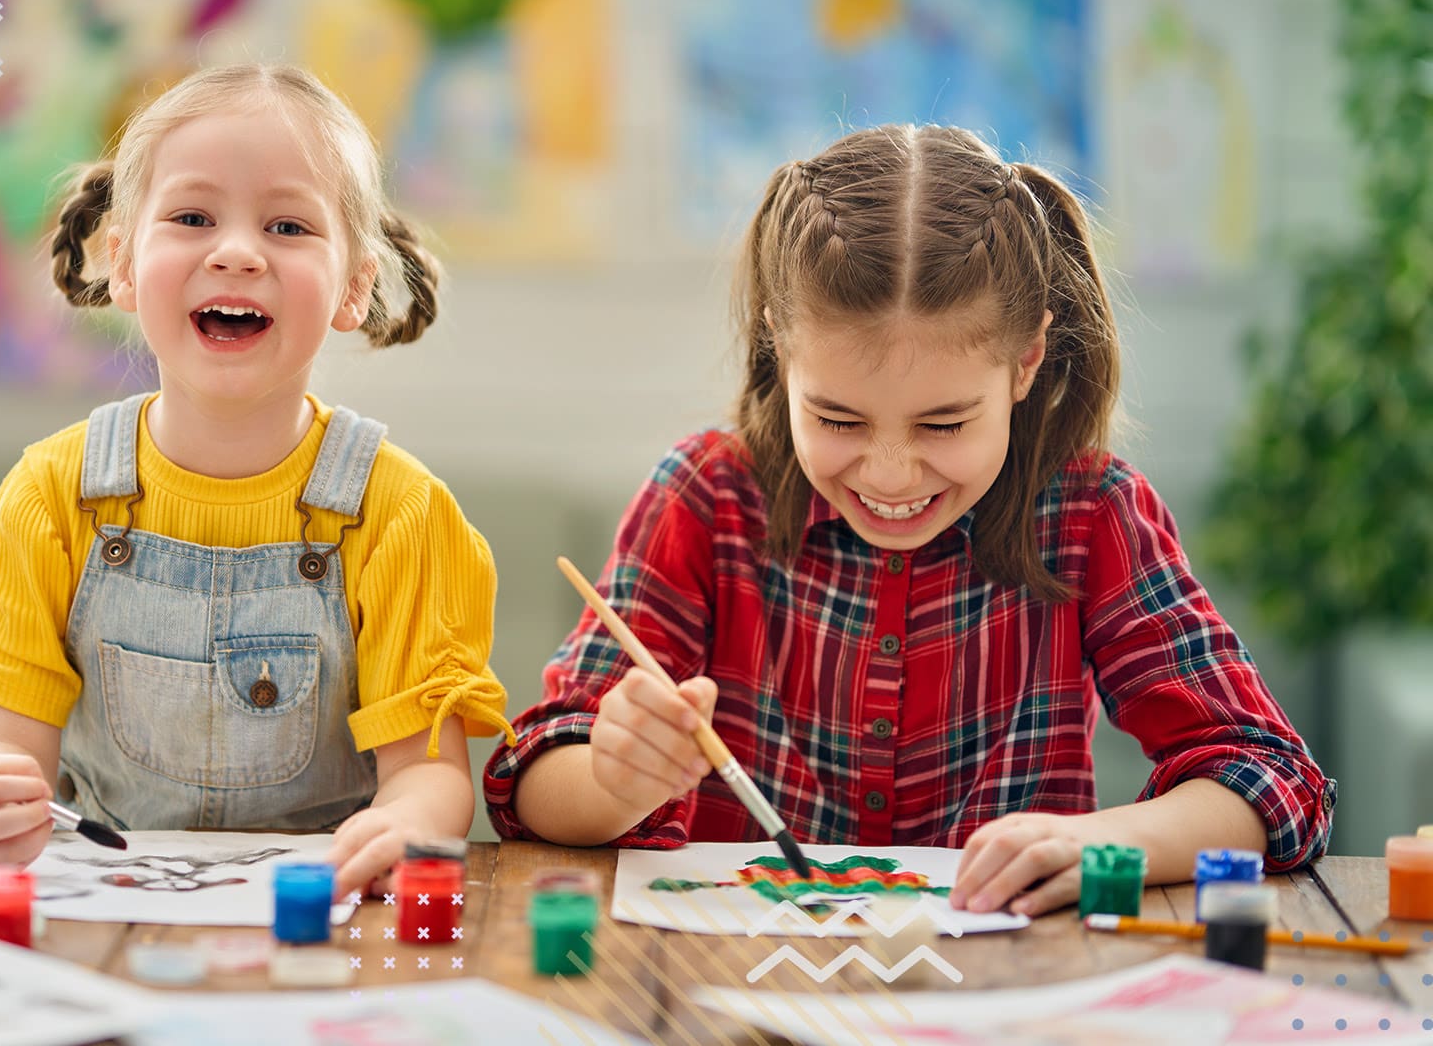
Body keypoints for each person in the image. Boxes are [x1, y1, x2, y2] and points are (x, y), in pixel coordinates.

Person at [483, 124, 1334, 916]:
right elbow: (529, 780)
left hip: (1002, 1002)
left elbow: (1270, 775)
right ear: (782, 349)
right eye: (841, 421)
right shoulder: (705, 498)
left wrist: (1110, 844)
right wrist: (611, 779)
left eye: (944, 425)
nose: (891, 474)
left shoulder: (1089, 513)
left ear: (1026, 360)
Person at [0, 64, 511, 899]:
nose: (237, 251)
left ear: (354, 285)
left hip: (318, 924)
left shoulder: (400, 513)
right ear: (124, 264)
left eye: (287, 225)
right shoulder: (49, 497)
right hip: (108, 926)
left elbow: (430, 778)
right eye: (193, 216)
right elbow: (7, 748)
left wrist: (407, 823)